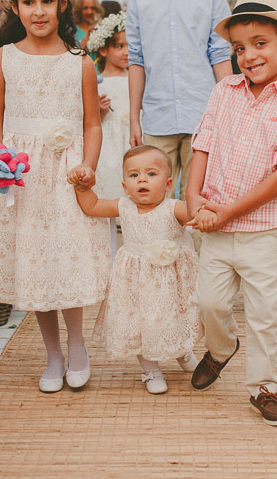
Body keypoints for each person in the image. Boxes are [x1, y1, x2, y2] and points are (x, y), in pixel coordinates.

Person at [0, 0, 110, 394]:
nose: (38, 11)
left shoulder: (80, 62)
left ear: (63, 3)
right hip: (22, 176)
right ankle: (52, 354)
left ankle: (78, 344)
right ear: (14, 5)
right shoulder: (3, 59)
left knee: (65, 257)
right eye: (28, 1)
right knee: (35, 262)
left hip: (66, 175)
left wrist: (87, 163)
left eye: (47, 1)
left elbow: (91, 122)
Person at [185, 0, 277, 427]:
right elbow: (202, 145)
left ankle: (264, 387)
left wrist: (230, 211)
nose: (248, 56)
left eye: (261, 44)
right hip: (215, 227)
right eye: (240, 48)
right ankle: (222, 348)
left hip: (262, 232)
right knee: (209, 303)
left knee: (263, 314)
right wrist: (192, 197)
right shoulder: (225, 92)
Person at [71, 145, 201, 395]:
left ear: (168, 183)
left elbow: (196, 214)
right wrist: (82, 189)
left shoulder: (174, 207)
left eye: (151, 174)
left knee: (174, 317)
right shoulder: (124, 206)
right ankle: (151, 369)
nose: (142, 179)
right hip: (136, 281)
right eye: (134, 175)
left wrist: (205, 213)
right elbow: (93, 207)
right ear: (124, 185)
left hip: (171, 280)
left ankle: (182, 351)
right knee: (141, 323)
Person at [127, 0, 232, 200]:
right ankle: (160, 251)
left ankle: (195, 251)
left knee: (198, 198)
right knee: (153, 199)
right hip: (158, 115)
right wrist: (135, 116)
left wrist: (226, 112)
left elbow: (220, 55)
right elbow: (136, 59)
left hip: (204, 113)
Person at [86, 11, 131, 200]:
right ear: (103, 50)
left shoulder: (134, 79)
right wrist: (100, 111)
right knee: (112, 178)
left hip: (133, 137)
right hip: (110, 141)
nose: (126, 52)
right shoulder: (99, 82)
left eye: (130, 46)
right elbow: (90, 120)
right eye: (119, 46)